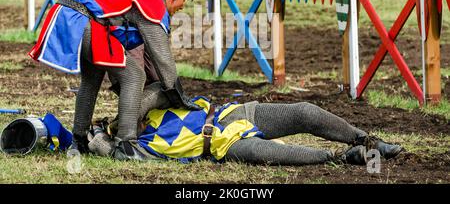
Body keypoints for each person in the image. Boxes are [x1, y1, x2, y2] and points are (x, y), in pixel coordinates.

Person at [29, 0, 202, 161]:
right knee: (135, 76)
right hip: (82, 19)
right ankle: (126, 144)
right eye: (183, 1)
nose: (181, 7)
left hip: (74, 15)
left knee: (92, 79)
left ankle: (79, 139)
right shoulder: (153, 1)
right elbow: (162, 56)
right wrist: (179, 95)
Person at [86, 82, 404, 165]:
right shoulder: (140, 148)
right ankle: (345, 159)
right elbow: (116, 153)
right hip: (227, 146)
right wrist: (101, 139)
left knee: (306, 111)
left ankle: (366, 141)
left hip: (235, 115)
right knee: (292, 156)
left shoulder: (155, 104)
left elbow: (154, 92)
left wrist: (128, 114)